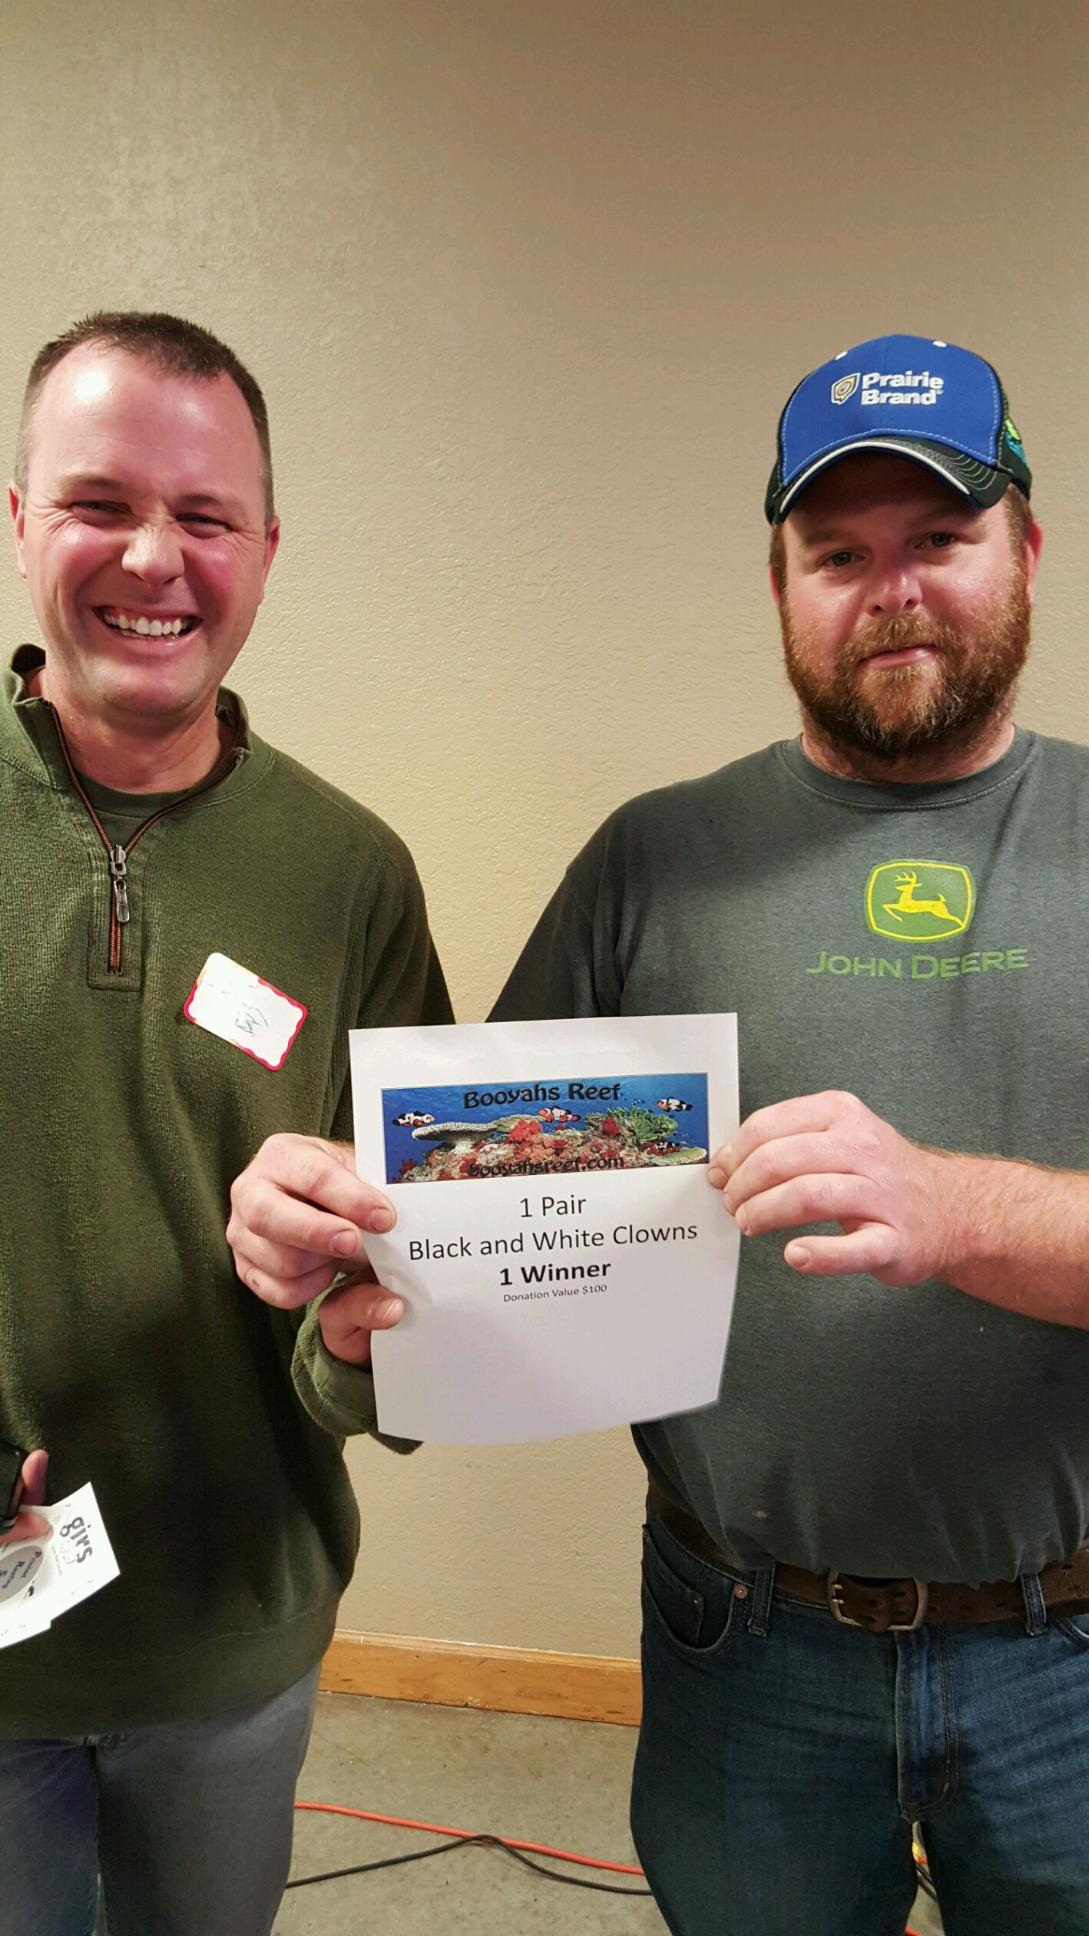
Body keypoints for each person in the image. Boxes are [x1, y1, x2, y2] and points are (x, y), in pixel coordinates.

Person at [229, 332, 1089, 1936]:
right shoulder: (654, 863)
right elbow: (470, 1215)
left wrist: (957, 1210)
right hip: (744, 1644)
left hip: (1069, 1657)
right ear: (779, 586)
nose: (891, 590)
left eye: (938, 537)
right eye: (838, 554)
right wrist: (359, 1279)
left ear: (1025, 553)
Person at [0, 310, 451, 1936]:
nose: (153, 558)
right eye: (99, 503)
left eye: (204, 516)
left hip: (235, 1637)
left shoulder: (350, 874)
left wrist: (357, 1322)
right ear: (20, 519)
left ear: (266, 548)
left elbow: (417, 1315)